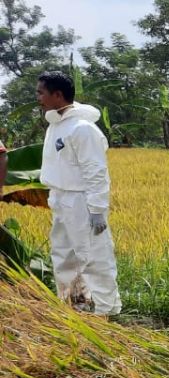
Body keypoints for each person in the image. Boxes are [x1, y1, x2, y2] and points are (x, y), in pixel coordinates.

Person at [36, 71, 120, 316]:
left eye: (41, 92)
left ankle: (107, 311)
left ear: (58, 95)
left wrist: (96, 210)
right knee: (63, 256)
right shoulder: (56, 125)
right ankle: (75, 304)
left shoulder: (83, 129)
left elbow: (96, 171)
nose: (38, 97)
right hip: (61, 199)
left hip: (81, 202)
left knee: (94, 257)